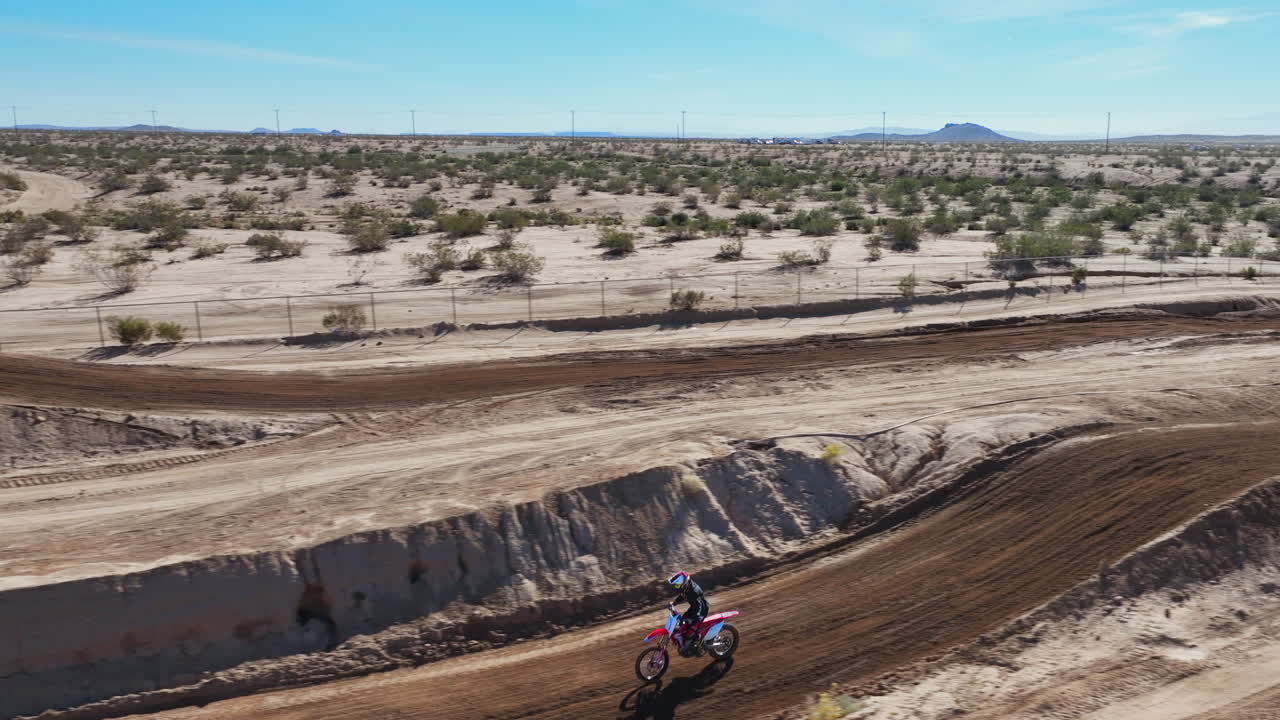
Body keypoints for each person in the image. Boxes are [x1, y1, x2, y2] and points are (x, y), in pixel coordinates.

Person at [667, 571, 709, 655]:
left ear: (683, 583)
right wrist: (674, 603)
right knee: (682, 626)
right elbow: (683, 595)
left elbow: (699, 607)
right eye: (676, 585)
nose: (676, 587)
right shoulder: (687, 587)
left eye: (677, 585)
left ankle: (698, 647)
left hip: (701, 611)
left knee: (690, 632)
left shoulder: (694, 591)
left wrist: (693, 619)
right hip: (694, 608)